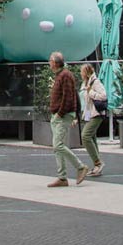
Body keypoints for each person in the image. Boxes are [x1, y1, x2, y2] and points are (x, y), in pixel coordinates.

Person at [47, 52, 90, 188]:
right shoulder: (61, 75)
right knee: (57, 147)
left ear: (55, 63)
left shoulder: (65, 75)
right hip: (59, 115)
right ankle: (62, 177)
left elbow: (68, 97)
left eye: (50, 61)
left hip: (62, 115)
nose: (49, 63)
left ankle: (80, 167)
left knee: (58, 145)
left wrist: (60, 113)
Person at [79, 63, 107, 178]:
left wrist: (91, 92)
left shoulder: (95, 82)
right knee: (92, 138)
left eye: (82, 71)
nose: (80, 74)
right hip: (89, 114)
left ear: (86, 72)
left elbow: (104, 96)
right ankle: (97, 166)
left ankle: (98, 163)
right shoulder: (85, 83)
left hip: (97, 114)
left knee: (85, 136)